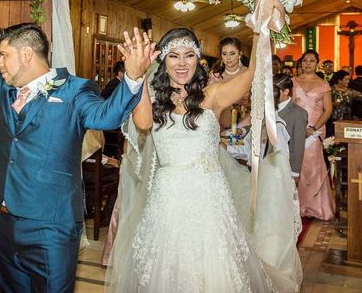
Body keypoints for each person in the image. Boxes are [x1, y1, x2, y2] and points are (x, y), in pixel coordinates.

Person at [0, 0, 155, 292]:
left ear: (27, 55)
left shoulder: (75, 90)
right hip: (5, 220)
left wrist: (133, 78)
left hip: (50, 226)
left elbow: (105, 116)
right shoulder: (6, 90)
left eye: (3, 55)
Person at [106, 26, 302, 292]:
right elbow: (141, 124)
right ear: (163, 61)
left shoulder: (213, 95)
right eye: (174, 56)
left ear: (198, 59)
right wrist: (137, 73)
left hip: (209, 195)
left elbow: (253, 73)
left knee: (216, 266)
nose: (182, 63)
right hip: (168, 198)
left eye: (189, 55)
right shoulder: (153, 100)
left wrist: (258, 29)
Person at [293, 50, 335, 221]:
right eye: (305, 60)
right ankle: (298, 206)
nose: (308, 63)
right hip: (295, 129)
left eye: (311, 61)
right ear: (301, 63)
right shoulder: (293, 82)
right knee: (297, 167)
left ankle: (317, 207)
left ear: (317, 63)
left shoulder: (323, 84)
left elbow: (328, 109)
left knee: (313, 166)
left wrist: (313, 127)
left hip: (315, 129)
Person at [208, 37, 251, 132]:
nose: (228, 58)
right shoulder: (215, 75)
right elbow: (208, 103)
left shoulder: (248, 73)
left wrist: (246, 103)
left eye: (232, 53)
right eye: (224, 54)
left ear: (240, 54)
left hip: (243, 125)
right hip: (219, 125)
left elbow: (259, 103)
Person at [275, 73, 308, 183]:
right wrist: (243, 130)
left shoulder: (298, 113)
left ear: (285, 92)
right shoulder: (268, 108)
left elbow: (298, 145)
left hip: (285, 165)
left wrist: (295, 172)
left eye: (274, 91)